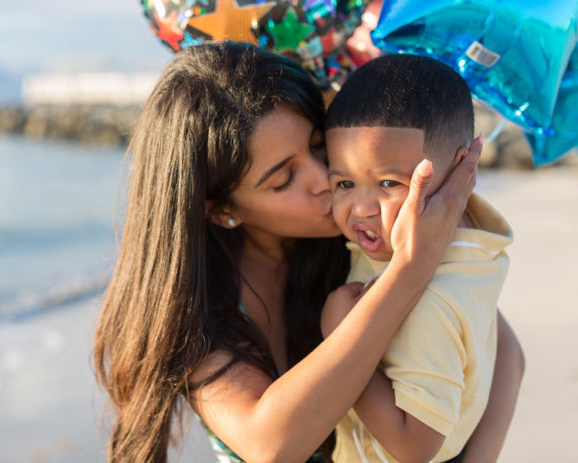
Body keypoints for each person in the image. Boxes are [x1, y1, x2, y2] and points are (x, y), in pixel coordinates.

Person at [93, 41, 524, 463]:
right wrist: (408, 272)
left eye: (319, 147)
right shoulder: (196, 309)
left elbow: (503, 352)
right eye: (284, 179)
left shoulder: (360, 235)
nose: (326, 179)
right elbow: (271, 445)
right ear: (222, 209)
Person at [322, 54, 515, 463]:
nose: (361, 209)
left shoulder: (432, 303)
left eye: (389, 183)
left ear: (461, 171)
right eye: (344, 182)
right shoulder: (470, 246)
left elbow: (415, 447)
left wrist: (340, 336)